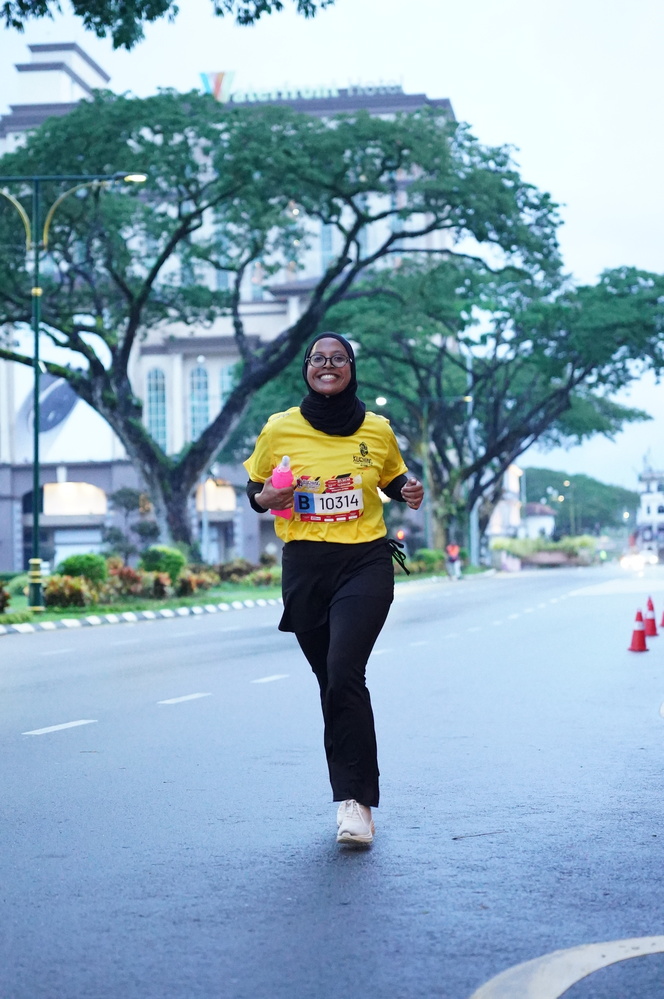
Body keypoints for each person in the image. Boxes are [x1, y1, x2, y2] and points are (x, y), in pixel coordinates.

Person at [244, 333, 424, 846]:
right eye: (318, 359)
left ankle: (355, 804)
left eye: (338, 358)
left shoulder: (377, 428)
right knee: (331, 683)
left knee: (345, 673)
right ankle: (352, 789)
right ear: (306, 368)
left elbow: (392, 477)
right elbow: (255, 488)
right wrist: (266, 497)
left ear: (351, 367)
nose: (328, 365)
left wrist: (408, 489)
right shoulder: (280, 428)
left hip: (365, 561)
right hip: (306, 565)